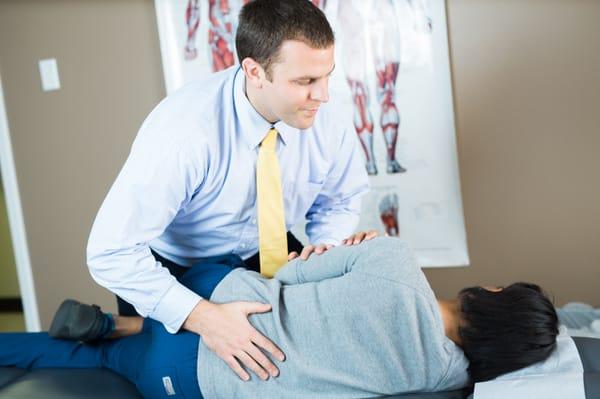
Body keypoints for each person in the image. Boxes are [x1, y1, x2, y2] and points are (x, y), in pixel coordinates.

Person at [86, 0, 371, 382]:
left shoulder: (327, 122)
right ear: (255, 71)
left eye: (326, 76)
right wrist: (204, 318)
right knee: (170, 373)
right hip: (175, 264)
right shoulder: (183, 133)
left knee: (280, 365)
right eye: (305, 82)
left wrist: (324, 248)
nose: (323, 95)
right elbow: (110, 251)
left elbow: (342, 199)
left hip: (264, 248)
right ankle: (108, 330)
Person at [1, 237, 559, 399]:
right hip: (197, 383)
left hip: (214, 301)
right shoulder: (445, 378)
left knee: (239, 261)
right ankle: (111, 336)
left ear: (492, 293)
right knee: (104, 362)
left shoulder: (394, 261)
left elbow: (288, 276)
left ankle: (119, 322)